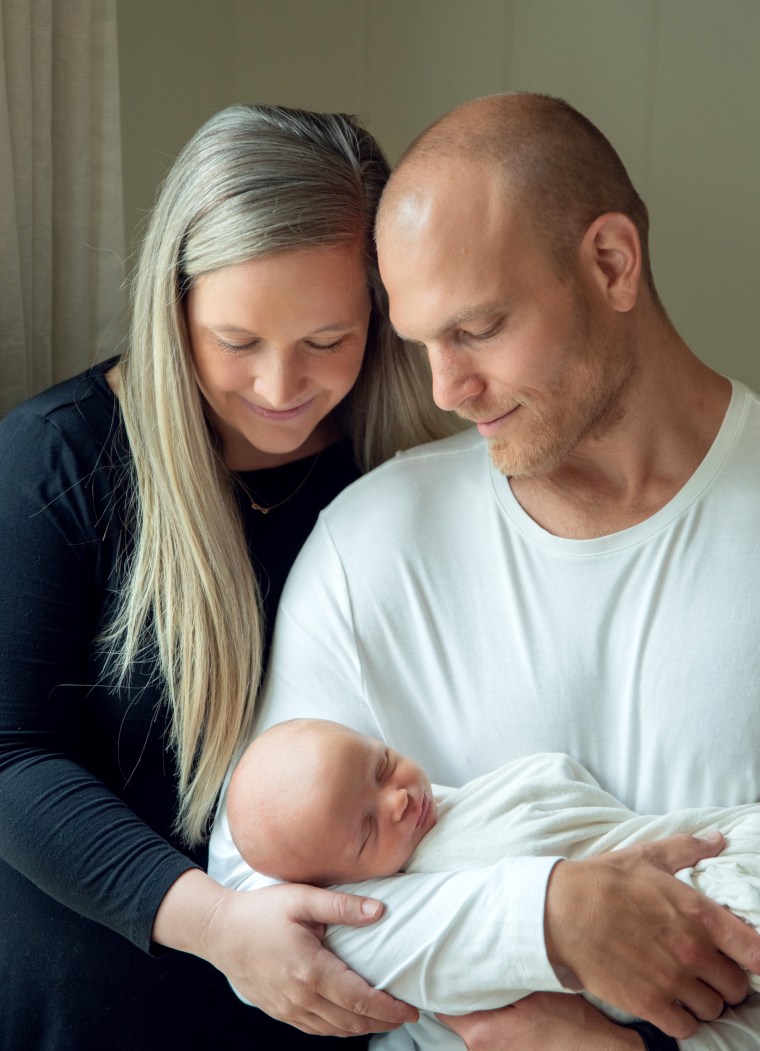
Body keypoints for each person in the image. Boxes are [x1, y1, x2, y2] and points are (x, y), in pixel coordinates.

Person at [209, 93, 760, 1051]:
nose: (444, 390)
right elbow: (262, 914)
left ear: (611, 263)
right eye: (421, 343)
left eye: (479, 328)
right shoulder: (372, 544)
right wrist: (544, 921)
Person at [0, 102, 462, 1050]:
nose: (282, 386)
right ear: (174, 309)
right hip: (97, 1005)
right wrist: (220, 928)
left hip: (332, 1012)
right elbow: (10, 756)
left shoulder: (398, 482)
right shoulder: (55, 464)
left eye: (327, 341)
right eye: (238, 341)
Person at [224, 718, 760, 1048]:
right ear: (336, 884)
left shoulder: (463, 801)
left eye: (382, 764)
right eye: (367, 828)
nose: (399, 798)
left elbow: (548, 790)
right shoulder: (388, 928)